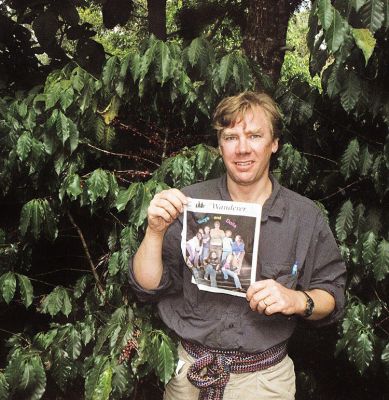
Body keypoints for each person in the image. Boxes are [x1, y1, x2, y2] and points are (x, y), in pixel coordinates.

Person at [129, 91, 346, 400]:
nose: (242, 149)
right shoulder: (189, 204)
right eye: (231, 137)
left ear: (274, 144)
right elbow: (147, 287)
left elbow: (333, 295)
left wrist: (297, 300)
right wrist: (154, 231)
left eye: (255, 136)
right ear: (220, 146)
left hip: (264, 382)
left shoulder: (304, 216)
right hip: (190, 375)